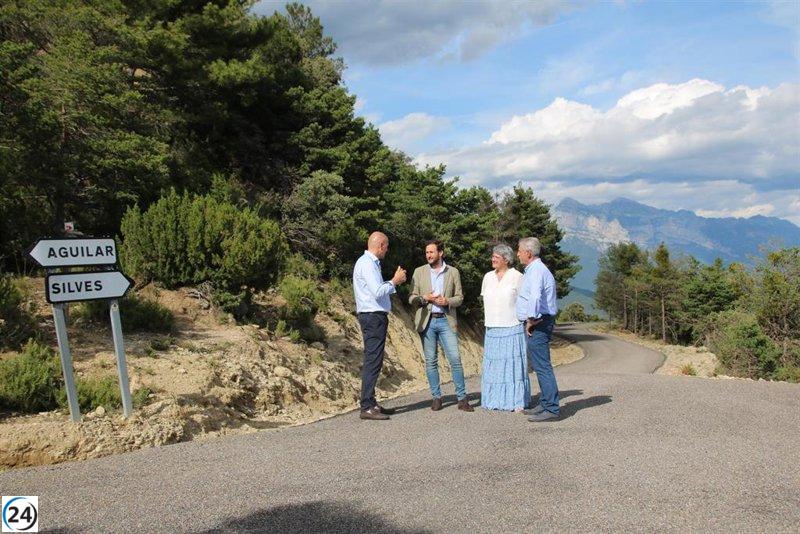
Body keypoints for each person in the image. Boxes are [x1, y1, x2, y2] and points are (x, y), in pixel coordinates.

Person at [409, 240, 473, 412]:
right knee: (431, 361)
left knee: (455, 360)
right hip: (426, 321)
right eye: (426, 252)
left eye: (431, 252)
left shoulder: (453, 272)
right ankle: (436, 398)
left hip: (446, 320)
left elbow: (459, 297)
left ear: (440, 253)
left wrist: (447, 301)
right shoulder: (419, 272)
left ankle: (462, 399)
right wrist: (425, 298)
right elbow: (411, 298)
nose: (428, 255)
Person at [353, 231, 407, 420]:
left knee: (374, 359)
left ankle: (371, 402)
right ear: (381, 246)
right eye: (387, 246)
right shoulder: (367, 264)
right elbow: (377, 291)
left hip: (373, 316)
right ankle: (367, 406)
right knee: (373, 360)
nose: (387, 250)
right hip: (372, 316)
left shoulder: (369, 263)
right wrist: (395, 281)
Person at [479, 244, 530, 412]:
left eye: (496, 257)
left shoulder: (517, 276)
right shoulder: (487, 277)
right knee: (494, 366)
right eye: (493, 256)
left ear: (506, 260)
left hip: (512, 327)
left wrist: (527, 320)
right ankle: (494, 399)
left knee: (512, 366)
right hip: (493, 328)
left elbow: (525, 302)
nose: (493, 259)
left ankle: (516, 401)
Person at [516, 237, 560, 422]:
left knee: (542, 366)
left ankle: (551, 408)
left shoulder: (536, 271)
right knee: (540, 365)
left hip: (538, 323)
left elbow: (535, 297)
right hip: (539, 322)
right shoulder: (535, 270)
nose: (517, 253)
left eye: (519, 250)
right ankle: (545, 403)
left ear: (528, 253)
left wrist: (531, 320)